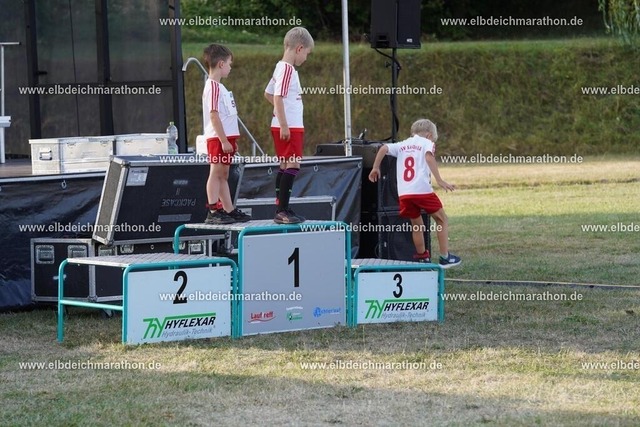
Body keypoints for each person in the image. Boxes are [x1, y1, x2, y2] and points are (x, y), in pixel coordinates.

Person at [368, 119, 461, 268]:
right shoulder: (427, 143)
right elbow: (429, 157)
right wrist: (439, 179)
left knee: (417, 225)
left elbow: (383, 148)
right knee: (442, 219)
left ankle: (422, 258)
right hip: (422, 190)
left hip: (404, 194)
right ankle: (445, 257)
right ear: (429, 135)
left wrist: (375, 167)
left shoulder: (403, 144)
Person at [264, 27, 314, 224]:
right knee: (293, 164)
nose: (306, 58)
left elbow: (268, 94)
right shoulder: (287, 69)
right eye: (307, 53)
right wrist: (284, 123)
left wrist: (280, 113)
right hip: (289, 126)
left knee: (285, 165)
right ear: (299, 48)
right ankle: (283, 210)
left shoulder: (280, 67)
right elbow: (277, 96)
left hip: (284, 124)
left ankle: (281, 207)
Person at [202, 43, 251, 224]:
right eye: (229, 64)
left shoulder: (220, 87)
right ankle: (213, 210)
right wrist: (223, 140)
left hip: (226, 137)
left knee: (224, 174)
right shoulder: (213, 87)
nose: (230, 68)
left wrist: (229, 139)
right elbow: (214, 115)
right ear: (221, 64)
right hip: (218, 137)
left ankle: (229, 209)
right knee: (216, 172)